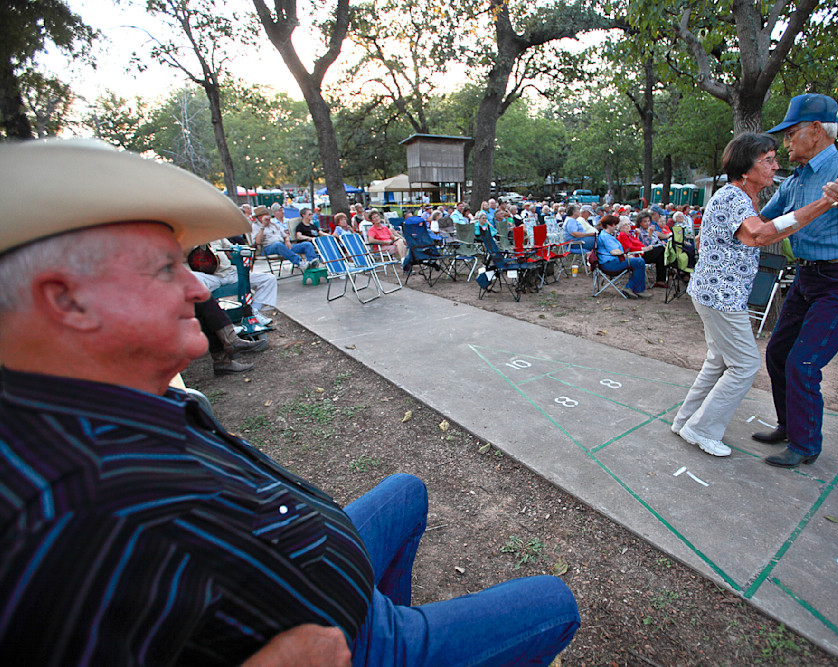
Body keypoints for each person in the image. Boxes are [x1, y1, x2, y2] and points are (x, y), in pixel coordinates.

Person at [0, 138, 580, 665]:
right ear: (67, 301)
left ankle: (388, 610)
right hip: (352, 640)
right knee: (554, 603)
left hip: (322, 573)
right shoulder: (63, 511)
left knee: (407, 490)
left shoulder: (107, 400)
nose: (199, 288)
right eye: (165, 269)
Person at [672, 133, 838, 457]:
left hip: (716, 293)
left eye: (774, 159)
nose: (775, 166)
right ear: (745, 169)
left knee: (719, 361)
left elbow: (765, 227)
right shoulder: (734, 197)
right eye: (767, 160)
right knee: (745, 365)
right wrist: (826, 202)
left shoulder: (742, 199)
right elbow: (759, 235)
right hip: (721, 297)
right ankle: (701, 428)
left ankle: (685, 420)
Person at [756, 93, 838, 469]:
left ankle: (805, 445)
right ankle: (788, 425)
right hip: (808, 273)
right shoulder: (796, 178)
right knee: (778, 353)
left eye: (791, 133)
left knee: (804, 362)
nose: (785, 143)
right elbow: (762, 221)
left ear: (816, 131)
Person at [190, 237, 279, 326]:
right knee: (193, 278)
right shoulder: (191, 237)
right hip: (210, 277)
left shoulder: (219, 236)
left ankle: (253, 312)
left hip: (229, 273)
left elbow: (231, 251)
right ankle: (220, 323)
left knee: (268, 279)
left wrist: (241, 251)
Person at [252, 205, 320, 271]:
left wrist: (287, 240)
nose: (268, 217)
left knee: (307, 244)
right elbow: (257, 242)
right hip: (267, 248)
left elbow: (285, 235)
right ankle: (300, 263)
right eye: (265, 215)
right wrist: (262, 226)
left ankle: (312, 264)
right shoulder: (255, 226)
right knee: (278, 245)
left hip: (283, 246)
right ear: (259, 217)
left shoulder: (273, 225)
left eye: (268, 215)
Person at [595, 214, 648, 299]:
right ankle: (634, 288)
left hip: (612, 262)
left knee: (637, 262)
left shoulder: (607, 235)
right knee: (639, 261)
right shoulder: (606, 237)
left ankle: (633, 288)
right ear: (608, 225)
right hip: (610, 264)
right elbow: (614, 251)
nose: (616, 226)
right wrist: (626, 256)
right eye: (615, 224)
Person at [618, 215, 667, 287]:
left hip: (642, 252)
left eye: (629, 224)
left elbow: (637, 243)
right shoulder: (623, 235)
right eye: (625, 225)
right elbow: (629, 248)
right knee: (662, 249)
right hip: (638, 255)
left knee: (661, 255)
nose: (628, 226)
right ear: (620, 227)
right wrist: (644, 248)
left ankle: (660, 280)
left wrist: (637, 236)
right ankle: (663, 277)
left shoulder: (629, 234)